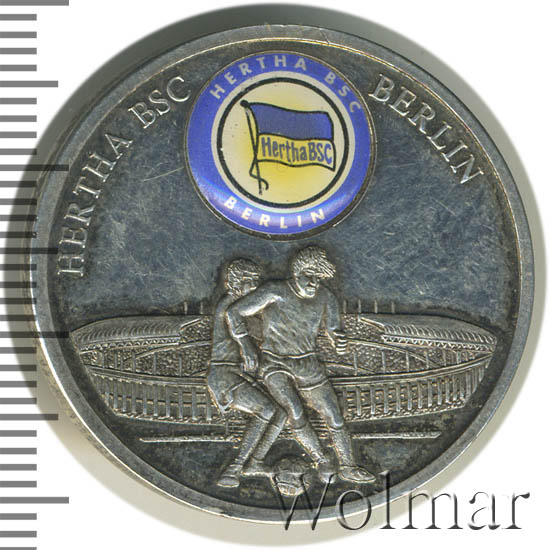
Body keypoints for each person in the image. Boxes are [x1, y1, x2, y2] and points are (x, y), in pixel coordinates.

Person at [227, 246, 375, 483]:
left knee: (334, 416)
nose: (314, 282)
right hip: (275, 363)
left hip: (309, 364)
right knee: (294, 410)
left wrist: (338, 339)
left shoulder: (326, 297)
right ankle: (321, 458)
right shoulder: (274, 291)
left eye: (318, 277)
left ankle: (348, 466)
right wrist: (245, 345)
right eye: (309, 276)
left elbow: (333, 329)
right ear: (296, 273)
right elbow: (234, 312)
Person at [207, 259, 287, 488]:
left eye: (255, 282)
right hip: (224, 375)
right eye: (248, 282)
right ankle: (234, 468)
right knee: (267, 409)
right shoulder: (230, 307)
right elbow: (237, 323)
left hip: (235, 373)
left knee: (281, 414)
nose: (254, 288)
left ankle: (255, 462)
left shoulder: (244, 307)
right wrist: (247, 346)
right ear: (234, 283)